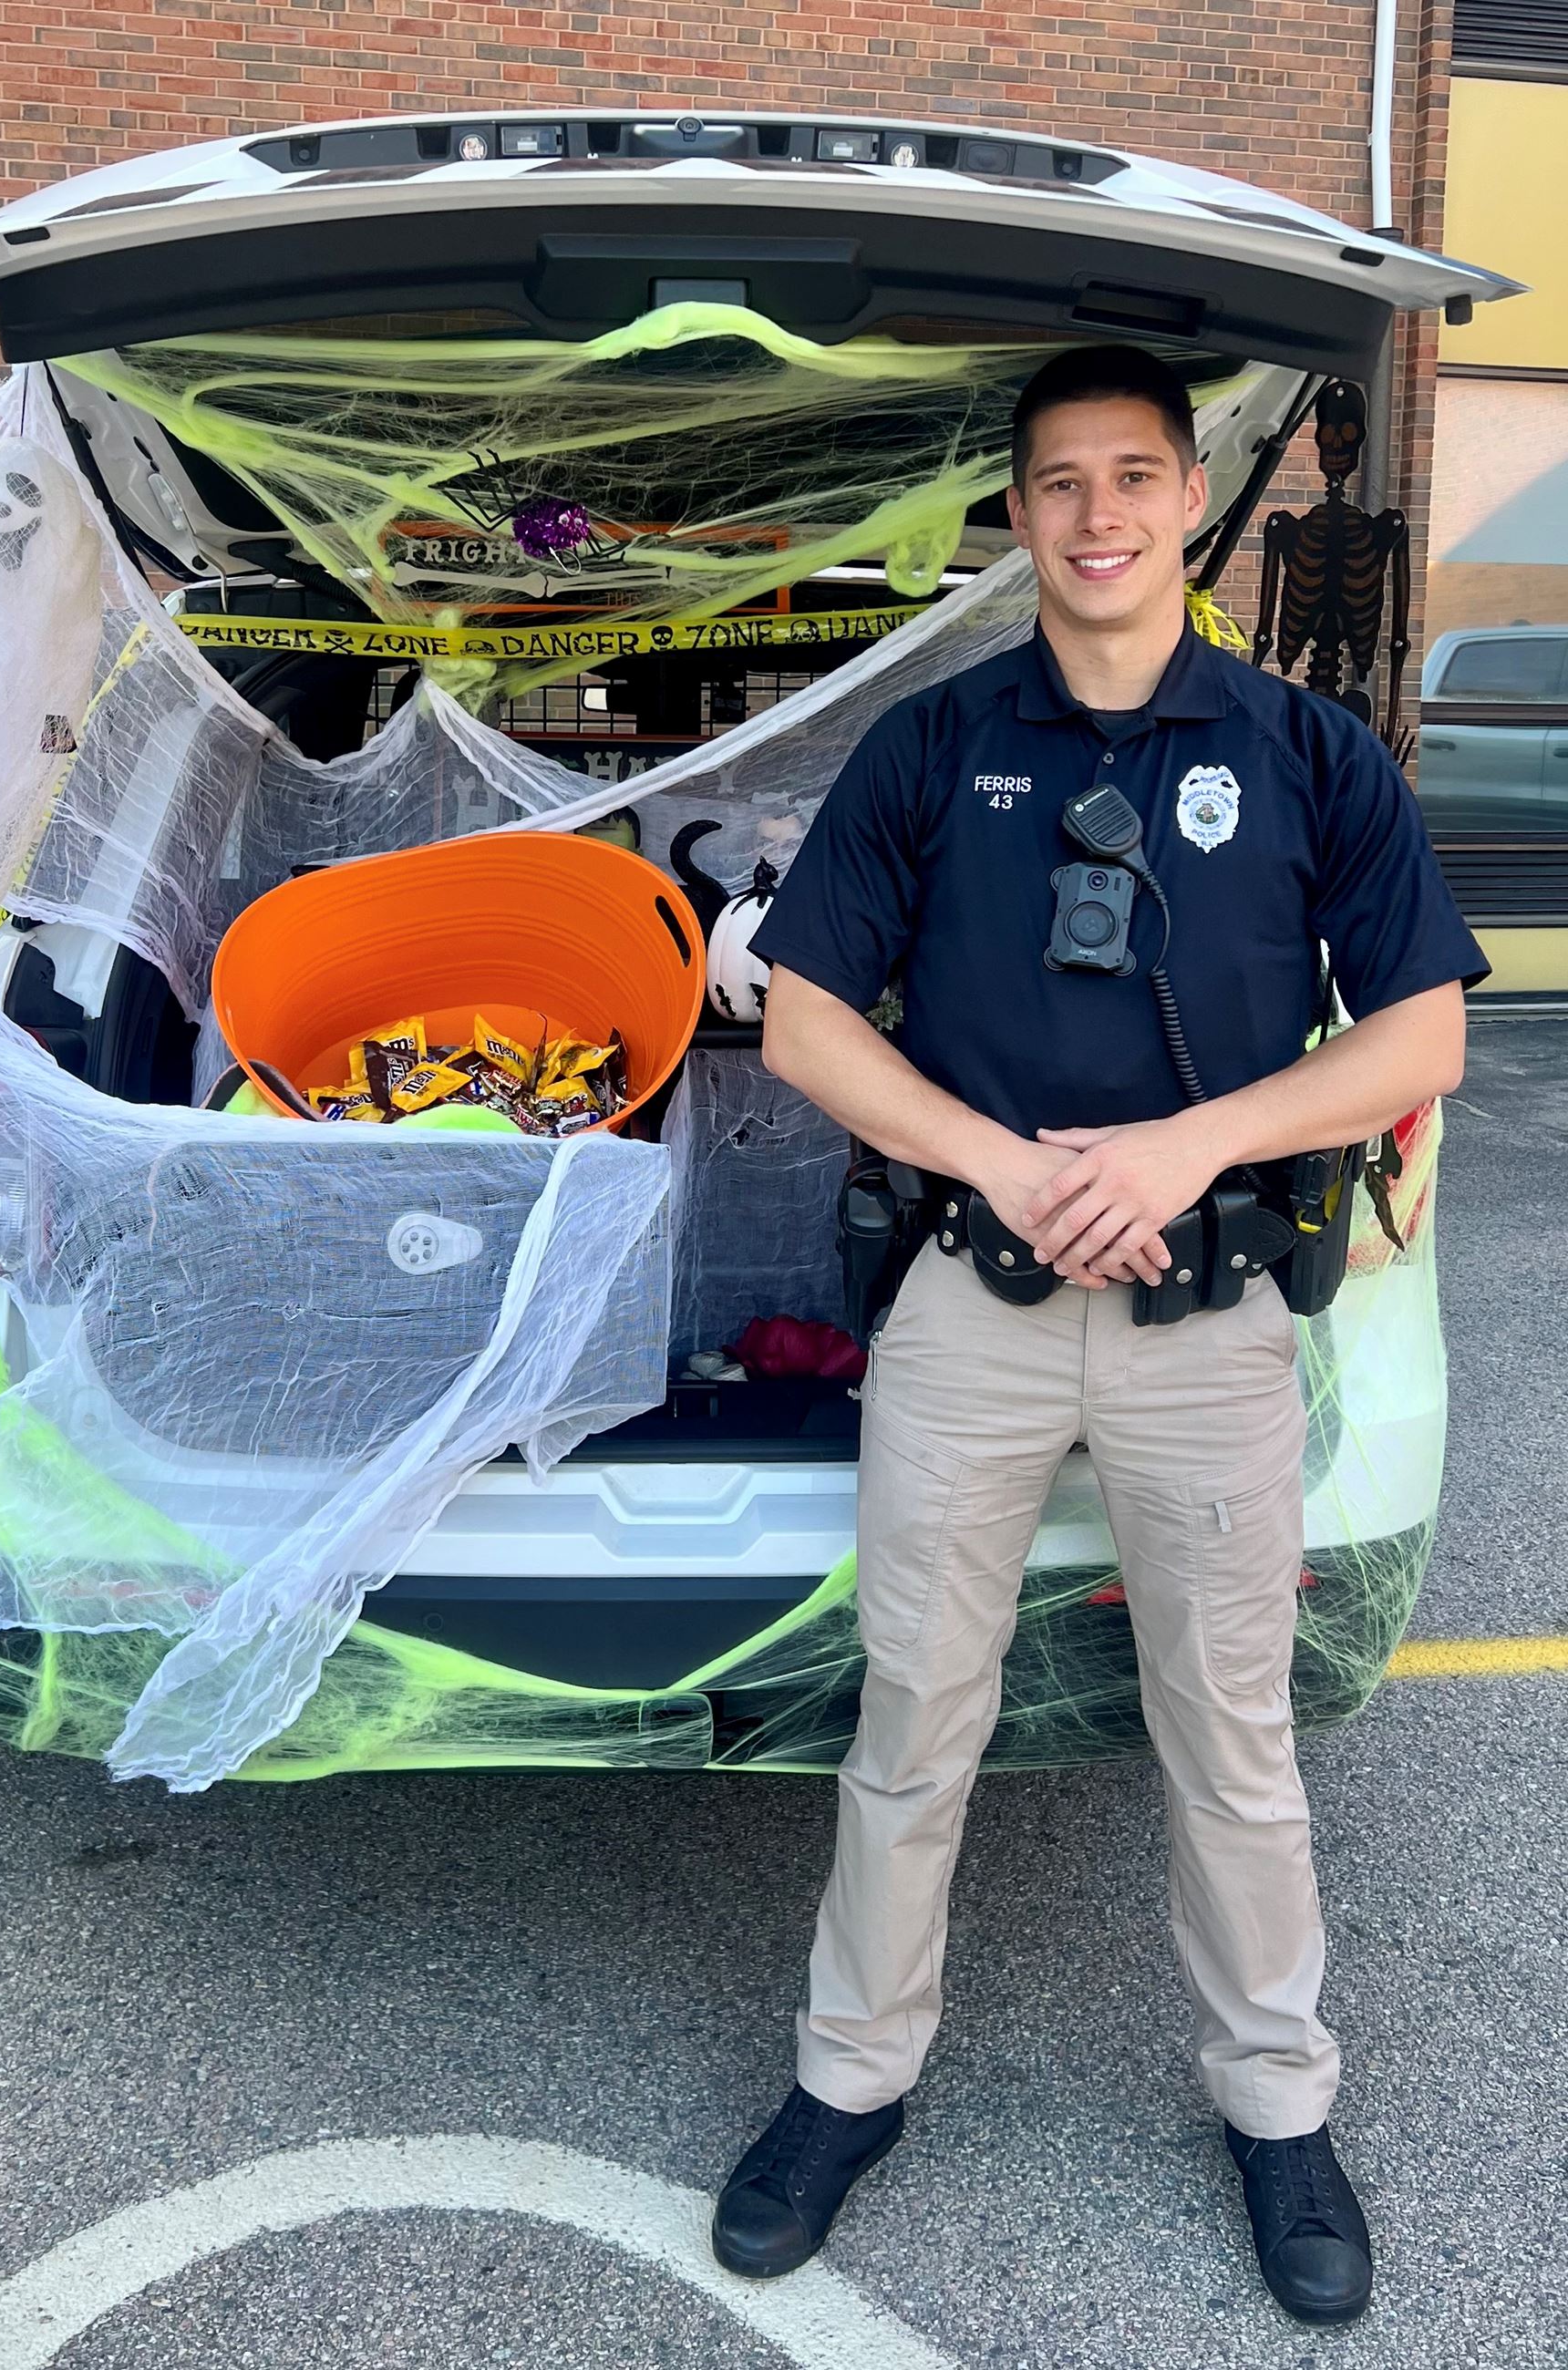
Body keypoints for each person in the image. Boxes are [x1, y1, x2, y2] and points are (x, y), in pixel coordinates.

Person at [715, 344, 1487, 2327]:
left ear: (1178, 495)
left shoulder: (1311, 752)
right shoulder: (930, 742)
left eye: (1133, 475)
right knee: (912, 1719)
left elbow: (1423, 1031)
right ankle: (847, 2079)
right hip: (971, 1308)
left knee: (1227, 1739)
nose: (1098, 514)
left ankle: (1278, 2106)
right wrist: (1013, 1167)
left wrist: (1186, 1147)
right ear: (1019, 515)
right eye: (1057, 483)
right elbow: (803, 1016)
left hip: (1207, 1322)